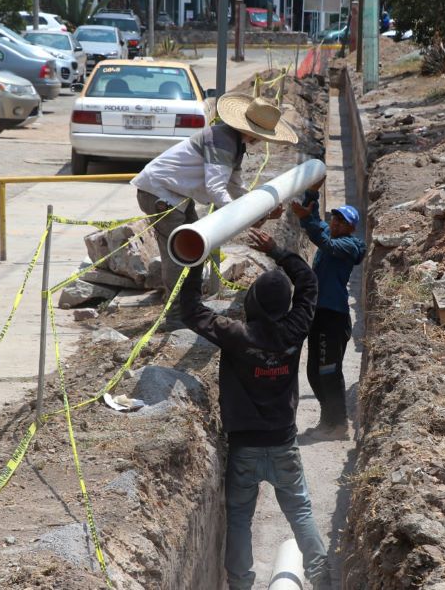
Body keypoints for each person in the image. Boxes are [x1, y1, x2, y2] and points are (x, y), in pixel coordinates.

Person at [180, 227, 332, 590]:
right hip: (283, 443)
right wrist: (278, 250)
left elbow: (191, 312)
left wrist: (195, 263)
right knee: (300, 513)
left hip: (244, 447)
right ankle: (322, 577)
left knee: (239, 519)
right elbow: (309, 283)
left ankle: (240, 584)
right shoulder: (295, 328)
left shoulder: (237, 335)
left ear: (253, 303)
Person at [131, 93, 298, 326]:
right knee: (178, 254)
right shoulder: (223, 140)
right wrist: (242, 216)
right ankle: (176, 316)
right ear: (253, 133)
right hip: (159, 192)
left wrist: (260, 210)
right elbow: (216, 187)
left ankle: (190, 307)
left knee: (195, 249)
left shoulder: (234, 143)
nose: (261, 142)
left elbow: (235, 186)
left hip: (176, 194)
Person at [291, 187, 365, 440]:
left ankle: (339, 424)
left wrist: (308, 219)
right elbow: (315, 222)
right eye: (334, 218)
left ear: (351, 228)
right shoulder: (331, 234)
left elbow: (324, 242)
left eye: (341, 221)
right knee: (314, 372)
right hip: (319, 315)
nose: (335, 222)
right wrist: (311, 195)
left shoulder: (347, 246)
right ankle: (327, 420)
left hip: (333, 317)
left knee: (329, 371)